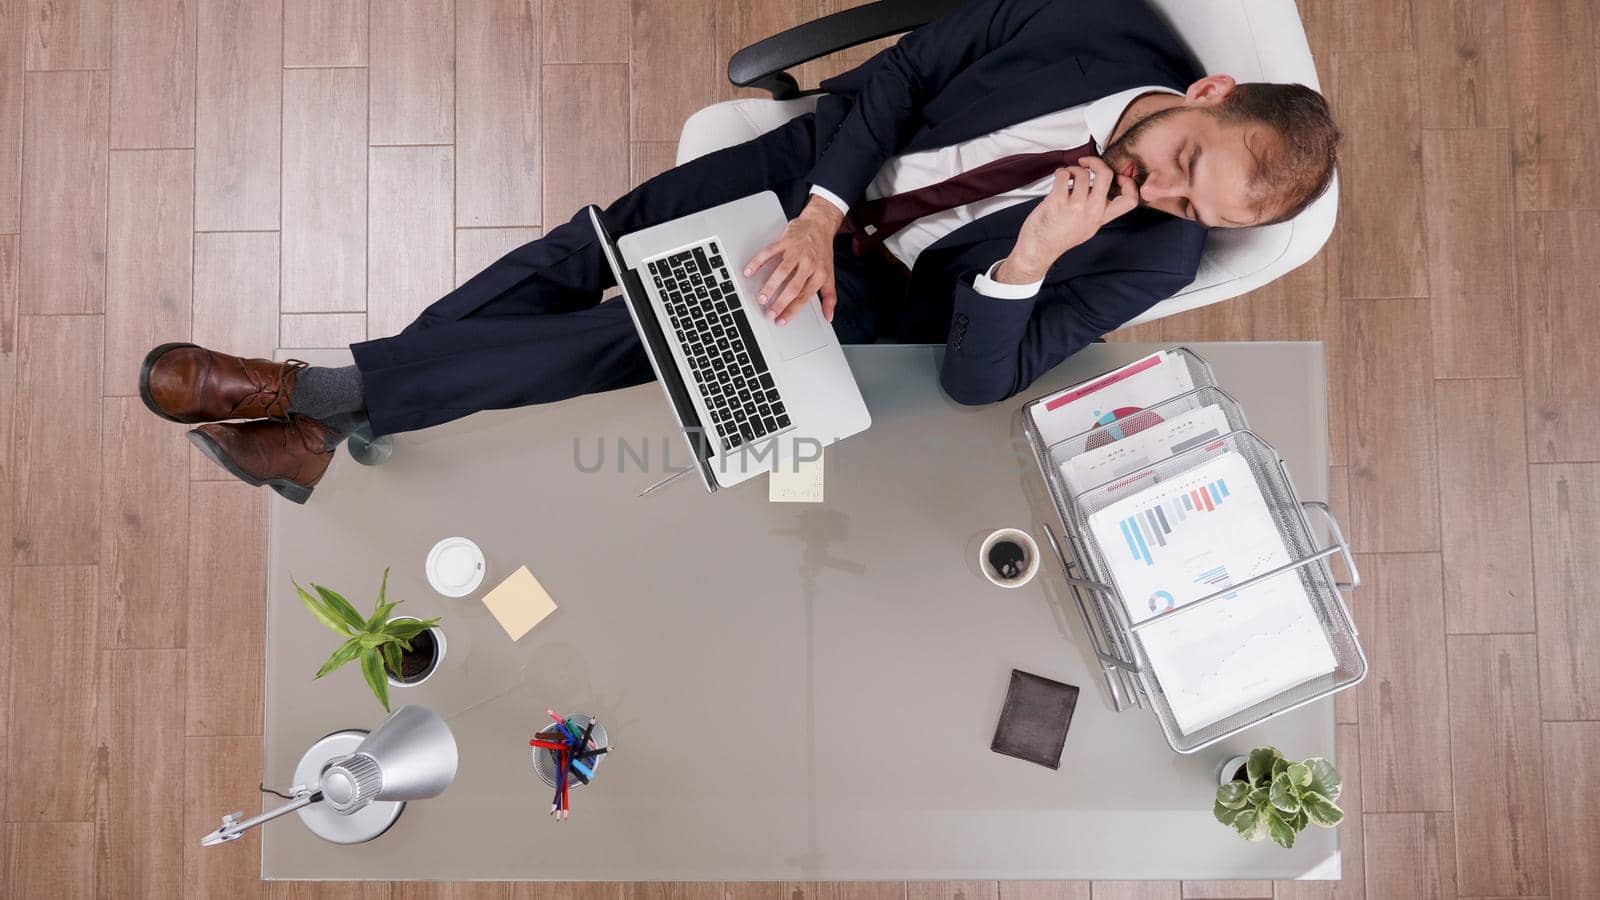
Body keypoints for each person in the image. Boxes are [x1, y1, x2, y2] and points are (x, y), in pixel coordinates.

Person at [139, 0, 1338, 504]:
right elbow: (906, 74)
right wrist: (818, 208)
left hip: (867, 301)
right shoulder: (1081, 18)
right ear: (1207, 90)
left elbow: (982, 382)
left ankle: (315, 397)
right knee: (585, 251)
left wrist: (1024, 261)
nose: (1163, 194)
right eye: (1186, 160)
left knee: (641, 330)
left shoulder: (1148, 260)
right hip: (819, 170)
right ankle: (319, 430)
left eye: (1196, 214)